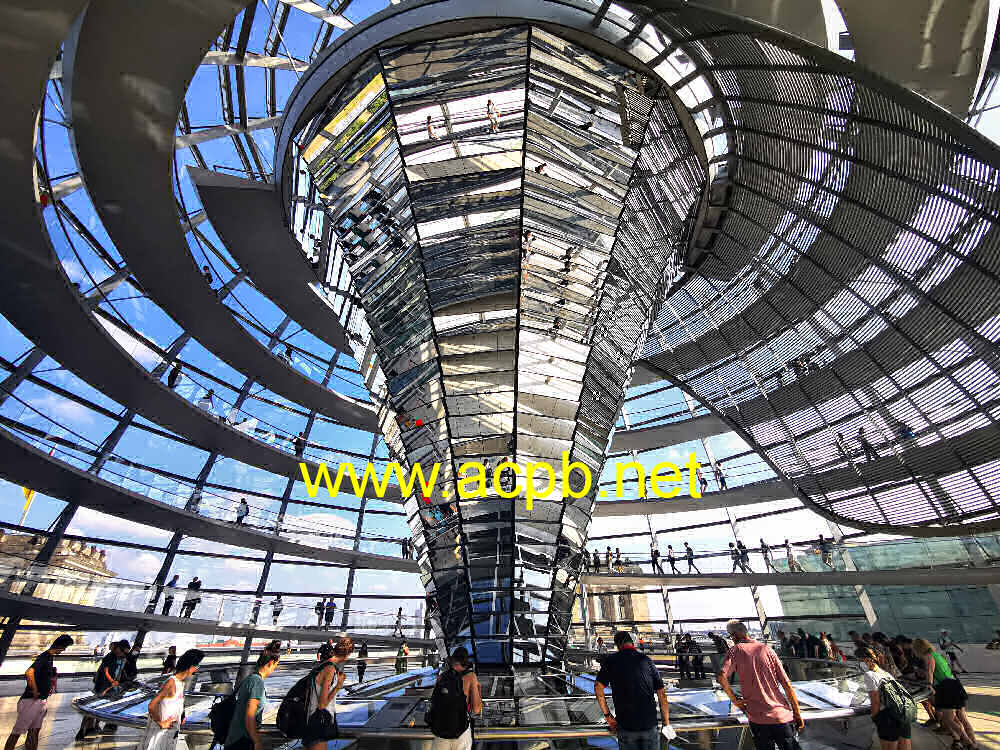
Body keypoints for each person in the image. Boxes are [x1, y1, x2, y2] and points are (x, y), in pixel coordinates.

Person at [718, 620, 804, 750]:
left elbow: (721, 676)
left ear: (735, 635)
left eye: (731, 636)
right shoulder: (767, 649)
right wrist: (797, 713)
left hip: (758, 719)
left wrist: (736, 701)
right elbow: (786, 684)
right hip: (782, 716)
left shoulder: (735, 651)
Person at [594, 631, 672, 748]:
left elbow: (598, 687)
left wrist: (608, 716)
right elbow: (662, 694)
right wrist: (666, 723)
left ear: (618, 645)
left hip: (626, 726)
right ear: (632, 644)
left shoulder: (611, 661)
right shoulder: (647, 660)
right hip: (649, 725)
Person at [6, 634, 72, 750]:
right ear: (60, 646)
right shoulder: (45, 657)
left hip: (40, 701)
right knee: (17, 732)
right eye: (64, 647)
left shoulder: (50, 657)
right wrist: (35, 691)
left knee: (34, 731)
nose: (63, 650)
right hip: (31, 701)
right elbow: (29, 672)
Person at [912, 638, 975, 749]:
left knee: (948, 720)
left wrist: (929, 685)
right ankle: (972, 742)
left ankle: (968, 743)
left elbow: (930, 672)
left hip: (946, 688)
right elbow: (945, 670)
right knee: (962, 718)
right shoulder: (936, 655)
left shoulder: (928, 657)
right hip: (955, 685)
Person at [139, 649, 204, 750]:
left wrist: (181, 716)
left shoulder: (180, 683)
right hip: (159, 736)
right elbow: (152, 705)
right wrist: (161, 723)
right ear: (190, 667)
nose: (197, 669)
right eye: (197, 666)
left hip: (169, 735)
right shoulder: (171, 683)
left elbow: (174, 703)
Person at [856, 646, 912, 750]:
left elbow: (875, 700)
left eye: (859, 660)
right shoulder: (885, 673)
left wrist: (875, 717)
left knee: (889, 745)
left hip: (888, 715)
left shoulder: (869, 675)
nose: (859, 664)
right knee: (904, 740)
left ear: (866, 660)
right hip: (903, 710)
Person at [303, 639, 353, 750]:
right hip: (319, 724)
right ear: (348, 654)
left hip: (310, 721)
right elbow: (322, 705)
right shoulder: (330, 669)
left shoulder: (320, 667)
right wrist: (338, 686)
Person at [224, 652, 280, 750]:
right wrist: (257, 741)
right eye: (276, 665)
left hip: (236, 738)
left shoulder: (251, 678)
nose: (275, 669)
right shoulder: (257, 682)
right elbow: (250, 716)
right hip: (242, 741)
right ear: (271, 663)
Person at [429, 647, 482, 750]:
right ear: (466, 662)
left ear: (452, 661)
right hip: (461, 733)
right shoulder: (471, 677)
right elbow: (476, 709)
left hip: (441, 730)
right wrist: (478, 690)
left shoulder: (441, 677)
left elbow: (434, 702)